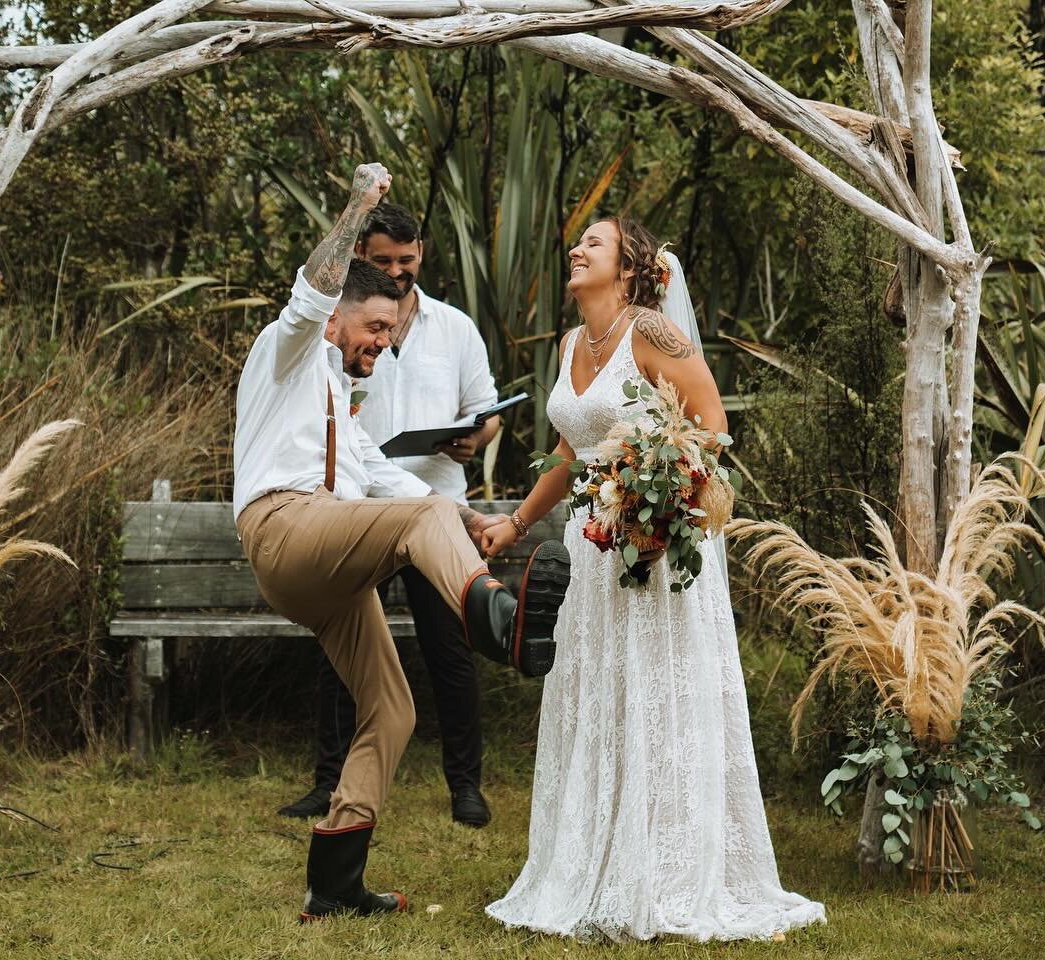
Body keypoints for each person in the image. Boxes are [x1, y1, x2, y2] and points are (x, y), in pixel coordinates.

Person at [232, 162, 571, 921]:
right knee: (425, 522)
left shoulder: (337, 398)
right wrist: (360, 203)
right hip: (285, 527)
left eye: (391, 332)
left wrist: (472, 523)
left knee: (393, 710)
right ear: (334, 320)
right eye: (375, 330)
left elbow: (383, 480)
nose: (383, 345)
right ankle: (503, 626)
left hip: (328, 568)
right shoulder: (288, 352)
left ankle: (335, 881)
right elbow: (315, 286)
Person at [478, 217, 825, 941]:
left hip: (654, 546)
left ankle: (668, 871)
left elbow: (711, 427)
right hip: (591, 546)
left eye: (593, 245)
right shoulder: (574, 344)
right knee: (601, 691)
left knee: (657, 694)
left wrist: (653, 498)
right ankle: (598, 861)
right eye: (576, 243)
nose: (575, 250)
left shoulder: (655, 334)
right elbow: (570, 455)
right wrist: (515, 523)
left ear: (631, 270)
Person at [277, 203, 500, 828]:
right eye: (382, 262)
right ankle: (329, 782)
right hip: (354, 510)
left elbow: (487, 412)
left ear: (422, 254)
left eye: (406, 261)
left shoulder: (455, 329)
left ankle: (466, 786)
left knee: (450, 651)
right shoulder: (330, 336)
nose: (397, 272)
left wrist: (472, 441)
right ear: (361, 261)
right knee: (339, 652)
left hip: (433, 504)